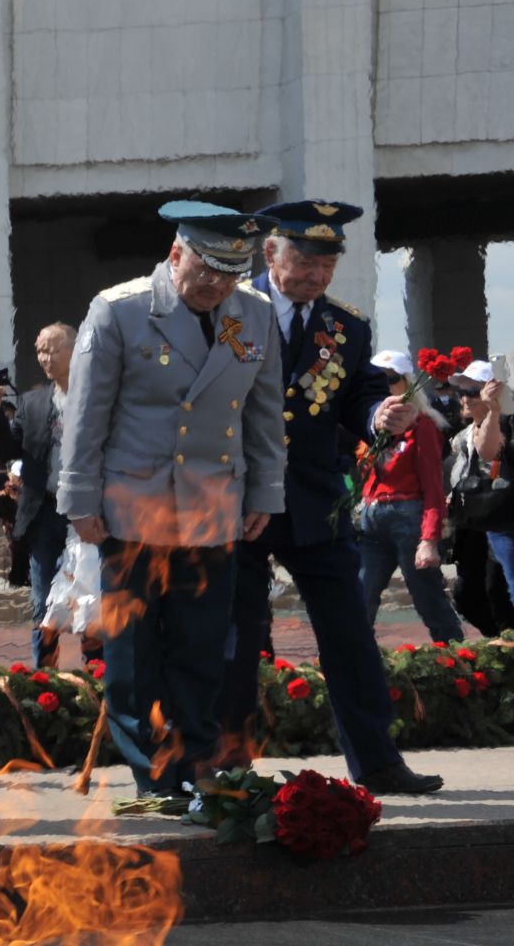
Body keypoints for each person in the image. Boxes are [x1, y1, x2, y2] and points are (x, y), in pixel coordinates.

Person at [58, 201, 284, 802]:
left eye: (230, 275)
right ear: (175, 254)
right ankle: (154, 775)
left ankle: (197, 761)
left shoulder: (254, 315)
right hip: (133, 509)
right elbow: (85, 418)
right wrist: (79, 499)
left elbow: (263, 411)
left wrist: (265, 490)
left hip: (214, 507)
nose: (215, 286)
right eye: (205, 271)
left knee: (202, 647)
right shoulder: (119, 311)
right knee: (133, 657)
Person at [218, 201, 441, 794]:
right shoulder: (228, 311)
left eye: (327, 265)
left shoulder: (346, 326)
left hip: (316, 501)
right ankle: (226, 767)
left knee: (348, 634)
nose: (316, 276)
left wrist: (381, 413)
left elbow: (359, 399)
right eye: (305, 262)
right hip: (238, 502)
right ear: (271, 255)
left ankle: (377, 762)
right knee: (236, 637)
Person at [358, 350, 463, 642]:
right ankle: (352, 666)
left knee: (427, 597)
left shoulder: (422, 427)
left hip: (408, 517)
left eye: (390, 380)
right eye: (375, 380)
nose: (383, 387)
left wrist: (429, 539)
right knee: (359, 596)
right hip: (372, 518)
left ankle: (458, 662)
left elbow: (433, 487)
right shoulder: (368, 428)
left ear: (406, 383)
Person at [0, 323, 75, 666]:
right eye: (40, 350)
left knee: (93, 601)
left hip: (88, 513)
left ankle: (99, 678)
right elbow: (10, 448)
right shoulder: (32, 401)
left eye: (53, 349)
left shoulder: (96, 393)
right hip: (43, 511)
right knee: (43, 601)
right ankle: (45, 677)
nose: (46, 357)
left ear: (74, 349)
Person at [450, 361, 514, 612]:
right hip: (482, 520)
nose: (465, 399)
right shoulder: (464, 434)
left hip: (501, 516)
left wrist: (493, 410)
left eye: (473, 392)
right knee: (488, 590)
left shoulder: (505, 422)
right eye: (461, 393)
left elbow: (488, 452)